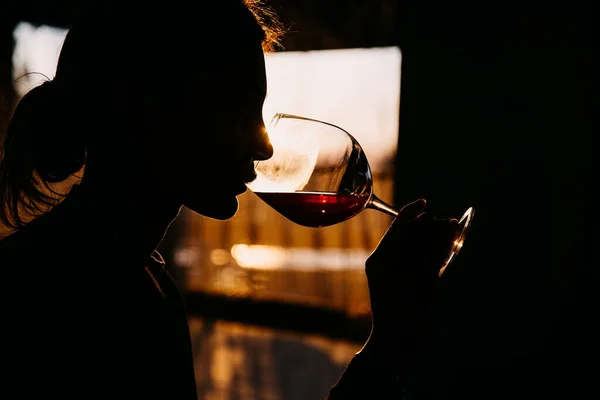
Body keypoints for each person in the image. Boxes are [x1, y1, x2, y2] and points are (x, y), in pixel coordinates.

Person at [0, 0, 458, 398]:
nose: (266, 149)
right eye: (240, 110)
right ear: (149, 110)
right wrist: (387, 352)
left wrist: (386, 349)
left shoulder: (135, 280)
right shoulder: (73, 305)